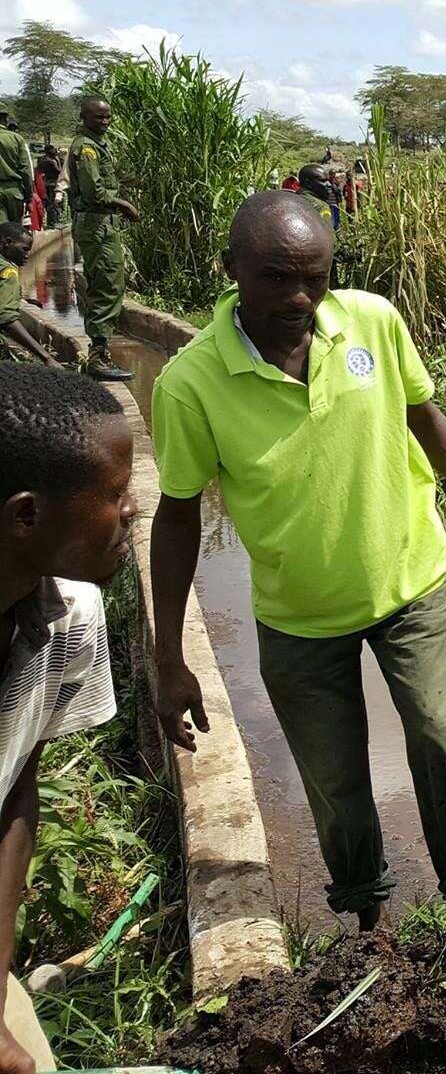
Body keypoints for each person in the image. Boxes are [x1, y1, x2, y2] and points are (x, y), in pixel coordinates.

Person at [149, 192, 446, 931]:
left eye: (315, 278)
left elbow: (423, 416)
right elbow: (175, 516)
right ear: (230, 268)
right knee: (334, 779)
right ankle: (366, 921)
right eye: (274, 278)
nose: (299, 299)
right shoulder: (191, 383)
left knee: (437, 734)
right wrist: (169, 655)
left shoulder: (372, 322)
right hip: (300, 614)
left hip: (408, 578)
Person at [0, 362, 136, 1074]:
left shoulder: (70, 616)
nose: (133, 509)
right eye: (114, 494)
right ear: (27, 516)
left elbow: (14, 791)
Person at [68, 99, 140, 382]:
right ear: (84, 116)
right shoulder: (86, 147)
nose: (105, 121)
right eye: (98, 117)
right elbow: (94, 192)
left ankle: (99, 352)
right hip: (96, 225)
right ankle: (97, 357)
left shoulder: (99, 144)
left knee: (108, 281)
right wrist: (124, 204)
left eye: (108, 116)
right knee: (108, 284)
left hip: (101, 225)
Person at [0, 225, 59, 368]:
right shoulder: (8, 272)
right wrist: (46, 357)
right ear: (7, 243)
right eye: (24, 249)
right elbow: (6, 318)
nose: (27, 255)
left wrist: (20, 299)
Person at [0, 115, 28, 227]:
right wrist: (30, 195)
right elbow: (25, 169)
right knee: (14, 232)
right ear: (6, 120)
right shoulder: (17, 138)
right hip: (14, 191)